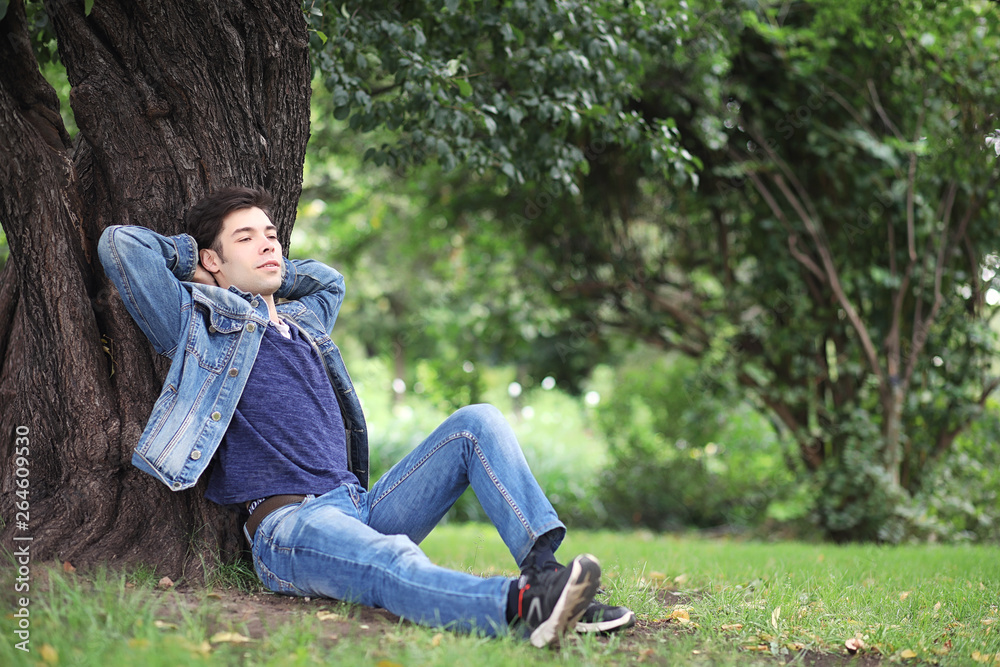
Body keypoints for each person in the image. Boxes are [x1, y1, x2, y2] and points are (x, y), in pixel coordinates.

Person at [97, 186, 635, 647]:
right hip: (292, 525)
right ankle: (525, 609)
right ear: (213, 261)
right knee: (391, 560)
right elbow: (122, 247)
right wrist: (195, 260)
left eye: (271, 235)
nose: (268, 243)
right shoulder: (200, 327)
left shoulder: (303, 321)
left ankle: (546, 572)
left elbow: (329, 280)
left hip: (358, 505)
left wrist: (263, 274)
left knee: (479, 420)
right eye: (246, 238)